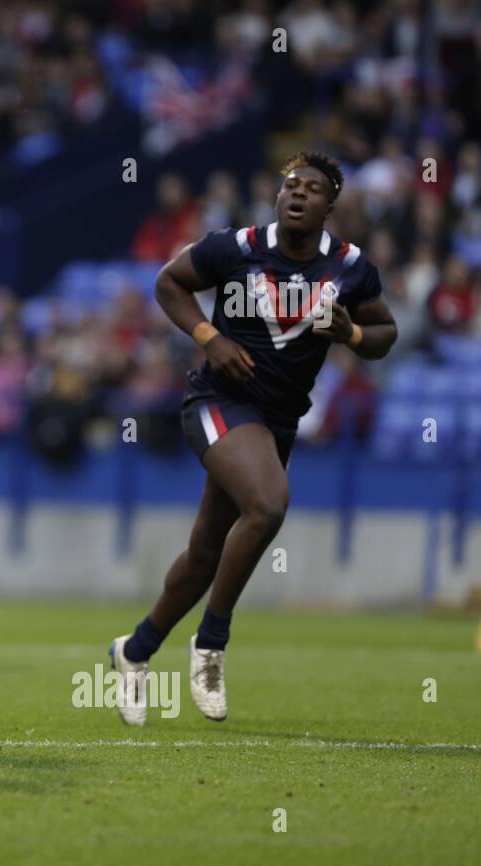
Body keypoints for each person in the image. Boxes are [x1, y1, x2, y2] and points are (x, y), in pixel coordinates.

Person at [110, 152, 397, 724]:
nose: (298, 194)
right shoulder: (236, 247)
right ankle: (211, 643)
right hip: (219, 402)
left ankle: (133, 651)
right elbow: (168, 282)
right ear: (276, 195)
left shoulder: (351, 266)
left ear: (330, 207)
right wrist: (208, 336)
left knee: (204, 554)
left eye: (312, 189)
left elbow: (385, 332)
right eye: (290, 184)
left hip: (277, 421)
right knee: (267, 506)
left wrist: (354, 332)